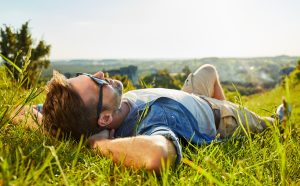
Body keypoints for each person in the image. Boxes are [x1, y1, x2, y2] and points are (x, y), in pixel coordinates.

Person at [14, 64, 283, 173]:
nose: (101, 73)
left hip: (186, 94)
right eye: (97, 82)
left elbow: (19, 111)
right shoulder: (149, 122)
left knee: (209, 70)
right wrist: (94, 144)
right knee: (271, 125)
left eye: (92, 74)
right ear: (105, 119)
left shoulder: (81, 112)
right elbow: (156, 156)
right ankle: (280, 117)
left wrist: (63, 132)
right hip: (217, 116)